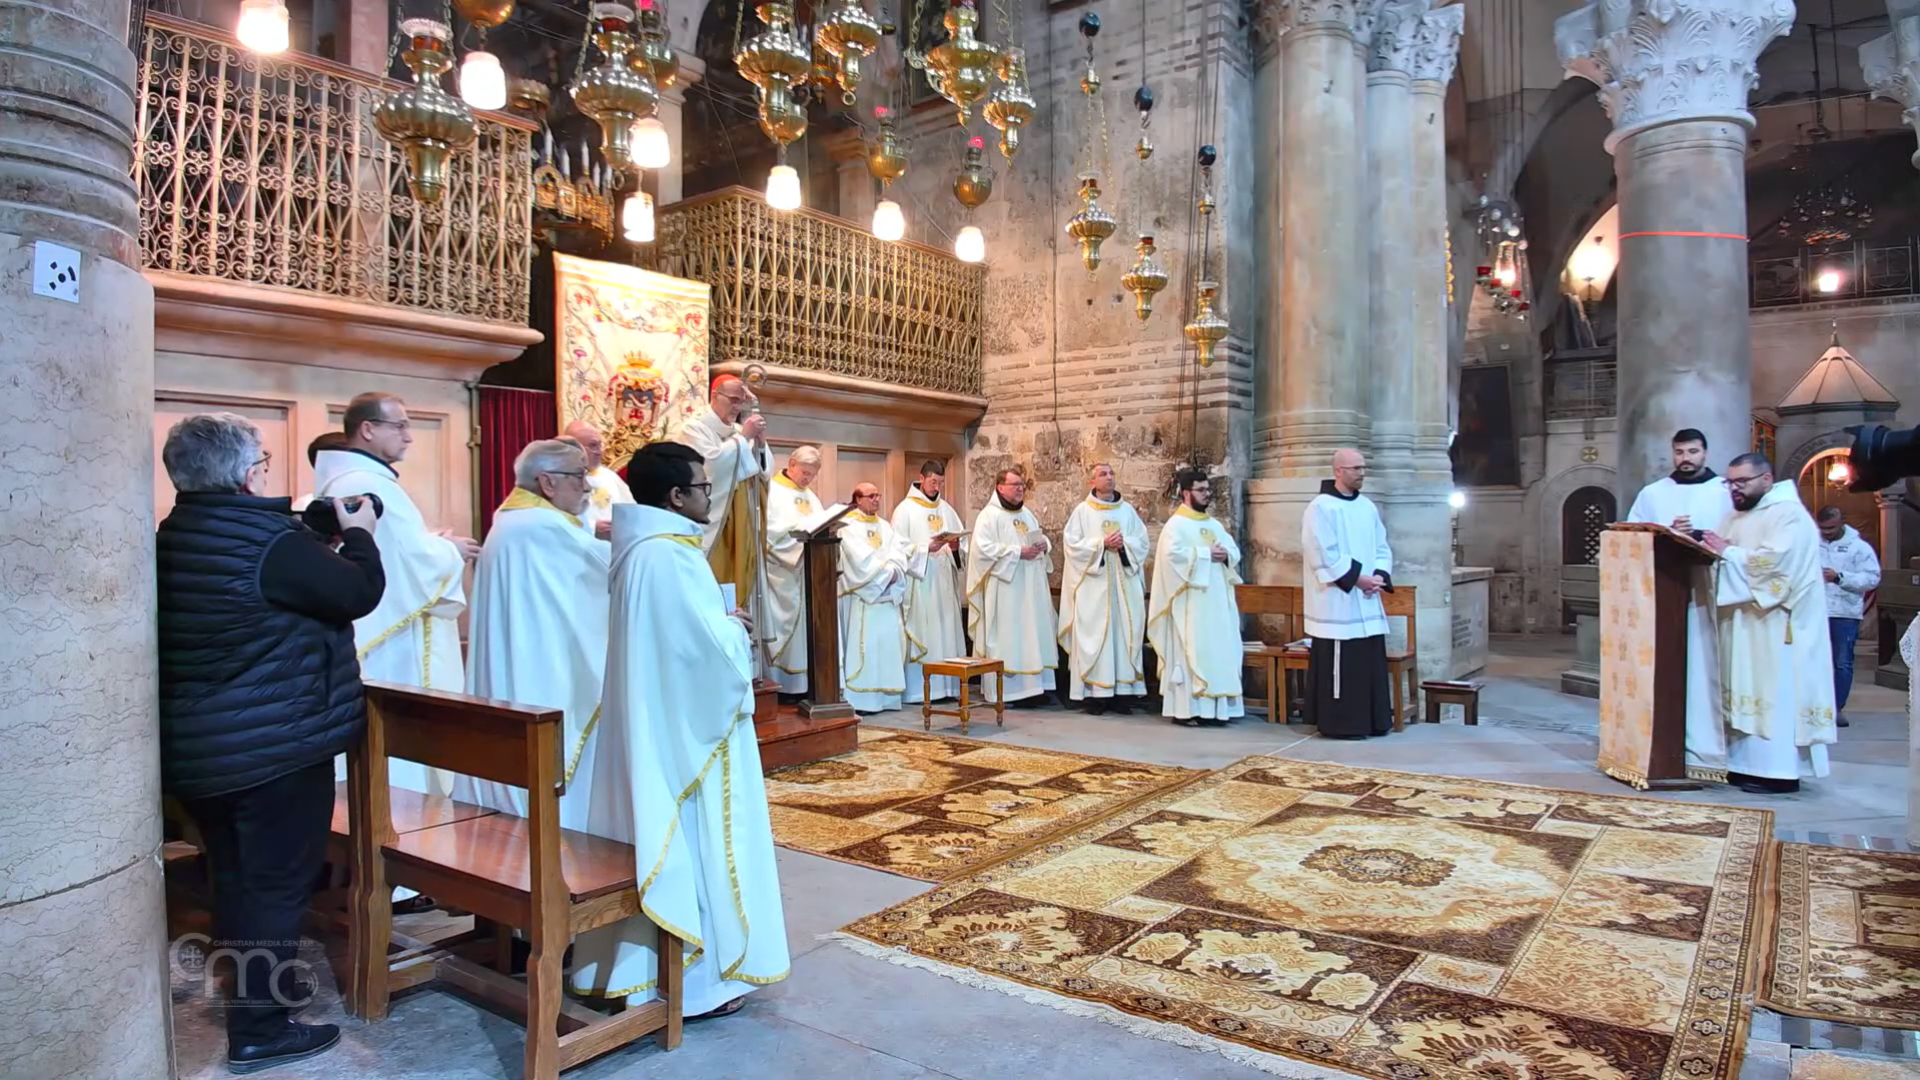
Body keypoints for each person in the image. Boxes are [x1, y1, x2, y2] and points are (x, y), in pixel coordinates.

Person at [157, 413, 384, 1073]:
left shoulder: (177, 531)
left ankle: (257, 996)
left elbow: (263, 568)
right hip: (272, 751)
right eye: (261, 458)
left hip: (207, 749)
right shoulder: (267, 543)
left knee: (237, 877)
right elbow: (355, 591)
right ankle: (259, 1029)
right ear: (250, 473)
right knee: (275, 886)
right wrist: (361, 537)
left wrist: (313, 526)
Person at [569, 441, 789, 1018]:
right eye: (702, 488)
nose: (707, 498)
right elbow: (702, 658)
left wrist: (715, 626)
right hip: (687, 739)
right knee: (699, 839)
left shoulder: (640, 550)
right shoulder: (669, 555)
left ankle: (636, 972)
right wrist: (734, 630)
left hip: (656, 723)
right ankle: (698, 984)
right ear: (675, 495)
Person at [313, 393, 477, 801]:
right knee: (400, 769)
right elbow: (413, 560)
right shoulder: (366, 483)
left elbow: (396, 550)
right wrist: (449, 551)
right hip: (394, 645)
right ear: (367, 429)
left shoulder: (354, 479)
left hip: (374, 632)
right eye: (399, 426)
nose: (409, 437)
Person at [453, 440, 610, 828]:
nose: (587, 487)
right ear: (547, 482)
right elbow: (608, 574)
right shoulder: (542, 527)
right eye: (578, 476)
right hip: (540, 672)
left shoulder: (512, 519)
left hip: (522, 663)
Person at [1700, 453, 1838, 794]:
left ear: (1766, 479)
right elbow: (1718, 552)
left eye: (1741, 482)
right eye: (1730, 483)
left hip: (1777, 626)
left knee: (1774, 691)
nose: (1734, 489)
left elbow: (1777, 567)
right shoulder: (1736, 515)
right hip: (1744, 622)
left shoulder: (1789, 515)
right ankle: (1741, 765)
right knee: (1741, 687)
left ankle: (1777, 771)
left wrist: (1727, 554)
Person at [1626, 427, 1736, 775]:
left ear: (1705, 452)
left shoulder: (1726, 493)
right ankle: (1662, 742)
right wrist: (1668, 533)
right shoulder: (1653, 493)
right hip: (1664, 595)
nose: (1685, 459)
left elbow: (1737, 536)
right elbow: (1632, 533)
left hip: (1712, 593)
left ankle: (1712, 747)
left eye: (1692, 451)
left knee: (1708, 669)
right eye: (1679, 452)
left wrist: (1699, 534)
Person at [1302, 449, 1396, 739]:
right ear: (1338, 471)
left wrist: (1379, 574)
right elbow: (1321, 552)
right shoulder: (1321, 507)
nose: (1361, 472)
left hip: (1367, 600)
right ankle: (1342, 724)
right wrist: (1358, 579)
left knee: (1368, 663)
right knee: (1342, 666)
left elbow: (1382, 545)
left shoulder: (1367, 506)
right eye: (1355, 468)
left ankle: (1373, 721)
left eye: (1363, 467)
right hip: (1338, 603)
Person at [1147, 468, 1246, 726]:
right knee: (1191, 651)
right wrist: (1205, 555)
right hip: (1189, 606)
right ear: (1186, 493)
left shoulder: (1214, 525)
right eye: (1202, 490)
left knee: (1218, 651)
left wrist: (1226, 556)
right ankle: (1187, 710)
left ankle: (1216, 710)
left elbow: (1233, 551)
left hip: (1216, 603)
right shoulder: (1175, 525)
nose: (1207, 494)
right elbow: (1172, 558)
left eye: (1208, 489)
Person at [1058, 463, 1150, 713]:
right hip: (1093, 588)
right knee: (1096, 636)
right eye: (1102, 474)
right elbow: (1072, 547)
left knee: (1122, 636)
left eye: (1111, 474)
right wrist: (1101, 544)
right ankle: (1095, 696)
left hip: (1123, 589)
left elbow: (1142, 543)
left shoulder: (1128, 511)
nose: (1109, 478)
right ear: (1091, 482)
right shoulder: (1082, 512)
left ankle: (1122, 694)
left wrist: (1123, 545)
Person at [965, 469, 1058, 704]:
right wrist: (1017, 552)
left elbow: (1038, 536)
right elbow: (982, 550)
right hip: (1006, 589)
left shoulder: (1026, 514)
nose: (1020, 489)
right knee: (1010, 636)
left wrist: (1043, 544)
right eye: (1015, 484)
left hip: (1030, 587)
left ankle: (1034, 689)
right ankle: (1009, 691)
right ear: (1000, 487)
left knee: (1031, 633)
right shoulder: (988, 516)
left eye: (1022, 485)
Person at [838, 483, 922, 712]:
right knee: (867, 648)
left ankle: (887, 699)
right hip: (865, 598)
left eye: (878, 495)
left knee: (887, 648)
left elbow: (898, 552)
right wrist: (885, 575)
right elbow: (858, 558)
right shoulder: (847, 526)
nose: (876, 499)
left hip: (886, 596)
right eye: (871, 496)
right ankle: (863, 700)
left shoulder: (884, 525)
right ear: (857, 499)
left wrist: (894, 571)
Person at [891, 460, 967, 703]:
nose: (937, 487)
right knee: (928, 633)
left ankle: (948, 688)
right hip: (922, 584)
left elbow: (962, 545)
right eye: (933, 481)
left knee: (946, 631)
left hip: (944, 581)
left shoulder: (946, 509)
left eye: (941, 483)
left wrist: (956, 548)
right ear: (921, 478)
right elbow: (897, 547)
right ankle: (921, 691)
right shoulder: (905, 510)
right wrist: (926, 548)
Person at [763, 446, 825, 694]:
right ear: (791, 463)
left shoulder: (811, 496)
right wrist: (803, 530)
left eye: (813, 475)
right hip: (784, 574)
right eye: (806, 472)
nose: (808, 479)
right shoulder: (772, 491)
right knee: (787, 633)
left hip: (808, 573)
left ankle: (804, 686)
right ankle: (782, 687)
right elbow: (770, 533)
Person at [1817, 505, 1879, 730]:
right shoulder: (1813, 544)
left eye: (1831, 528)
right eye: (1823, 528)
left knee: (1842, 663)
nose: (1827, 532)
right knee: (1816, 661)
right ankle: (1817, 707)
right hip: (1816, 612)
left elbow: (1872, 578)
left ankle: (1837, 707)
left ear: (1842, 522)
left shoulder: (1859, 548)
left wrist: (1839, 578)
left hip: (1845, 613)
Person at [564, 419, 633, 541]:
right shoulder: (559, 479)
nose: (599, 452)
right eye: (592, 446)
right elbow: (553, 520)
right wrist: (592, 528)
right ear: (573, 448)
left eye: (600, 445)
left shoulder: (610, 477)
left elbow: (632, 512)